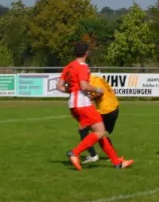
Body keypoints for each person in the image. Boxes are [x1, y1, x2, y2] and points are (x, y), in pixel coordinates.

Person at [57, 42, 133, 170]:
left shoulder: (68, 67)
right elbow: (84, 86)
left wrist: (72, 91)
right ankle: (74, 153)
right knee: (101, 131)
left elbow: (59, 86)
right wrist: (98, 89)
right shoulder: (83, 66)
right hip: (83, 103)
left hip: (73, 104)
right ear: (86, 53)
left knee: (99, 133)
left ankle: (117, 163)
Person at [78, 74, 120, 164]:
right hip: (112, 108)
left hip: (107, 110)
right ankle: (112, 156)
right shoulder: (96, 78)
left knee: (83, 129)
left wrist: (89, 98)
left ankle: (93, 155)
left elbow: (100, 93)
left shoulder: (94, 81)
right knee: (101, 133)